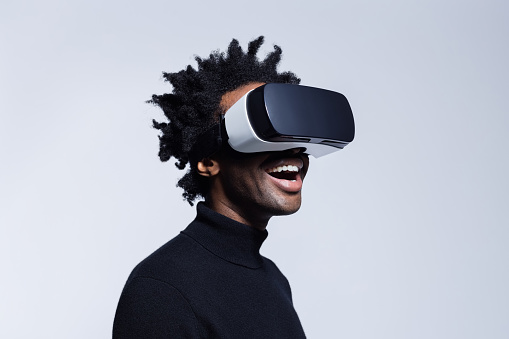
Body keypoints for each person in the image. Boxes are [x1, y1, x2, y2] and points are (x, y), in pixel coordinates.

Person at [113, 36, 314, 338]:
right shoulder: (161, 288)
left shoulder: (274, 279)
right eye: (260, 129)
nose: (293, 150)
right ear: (208, 161)